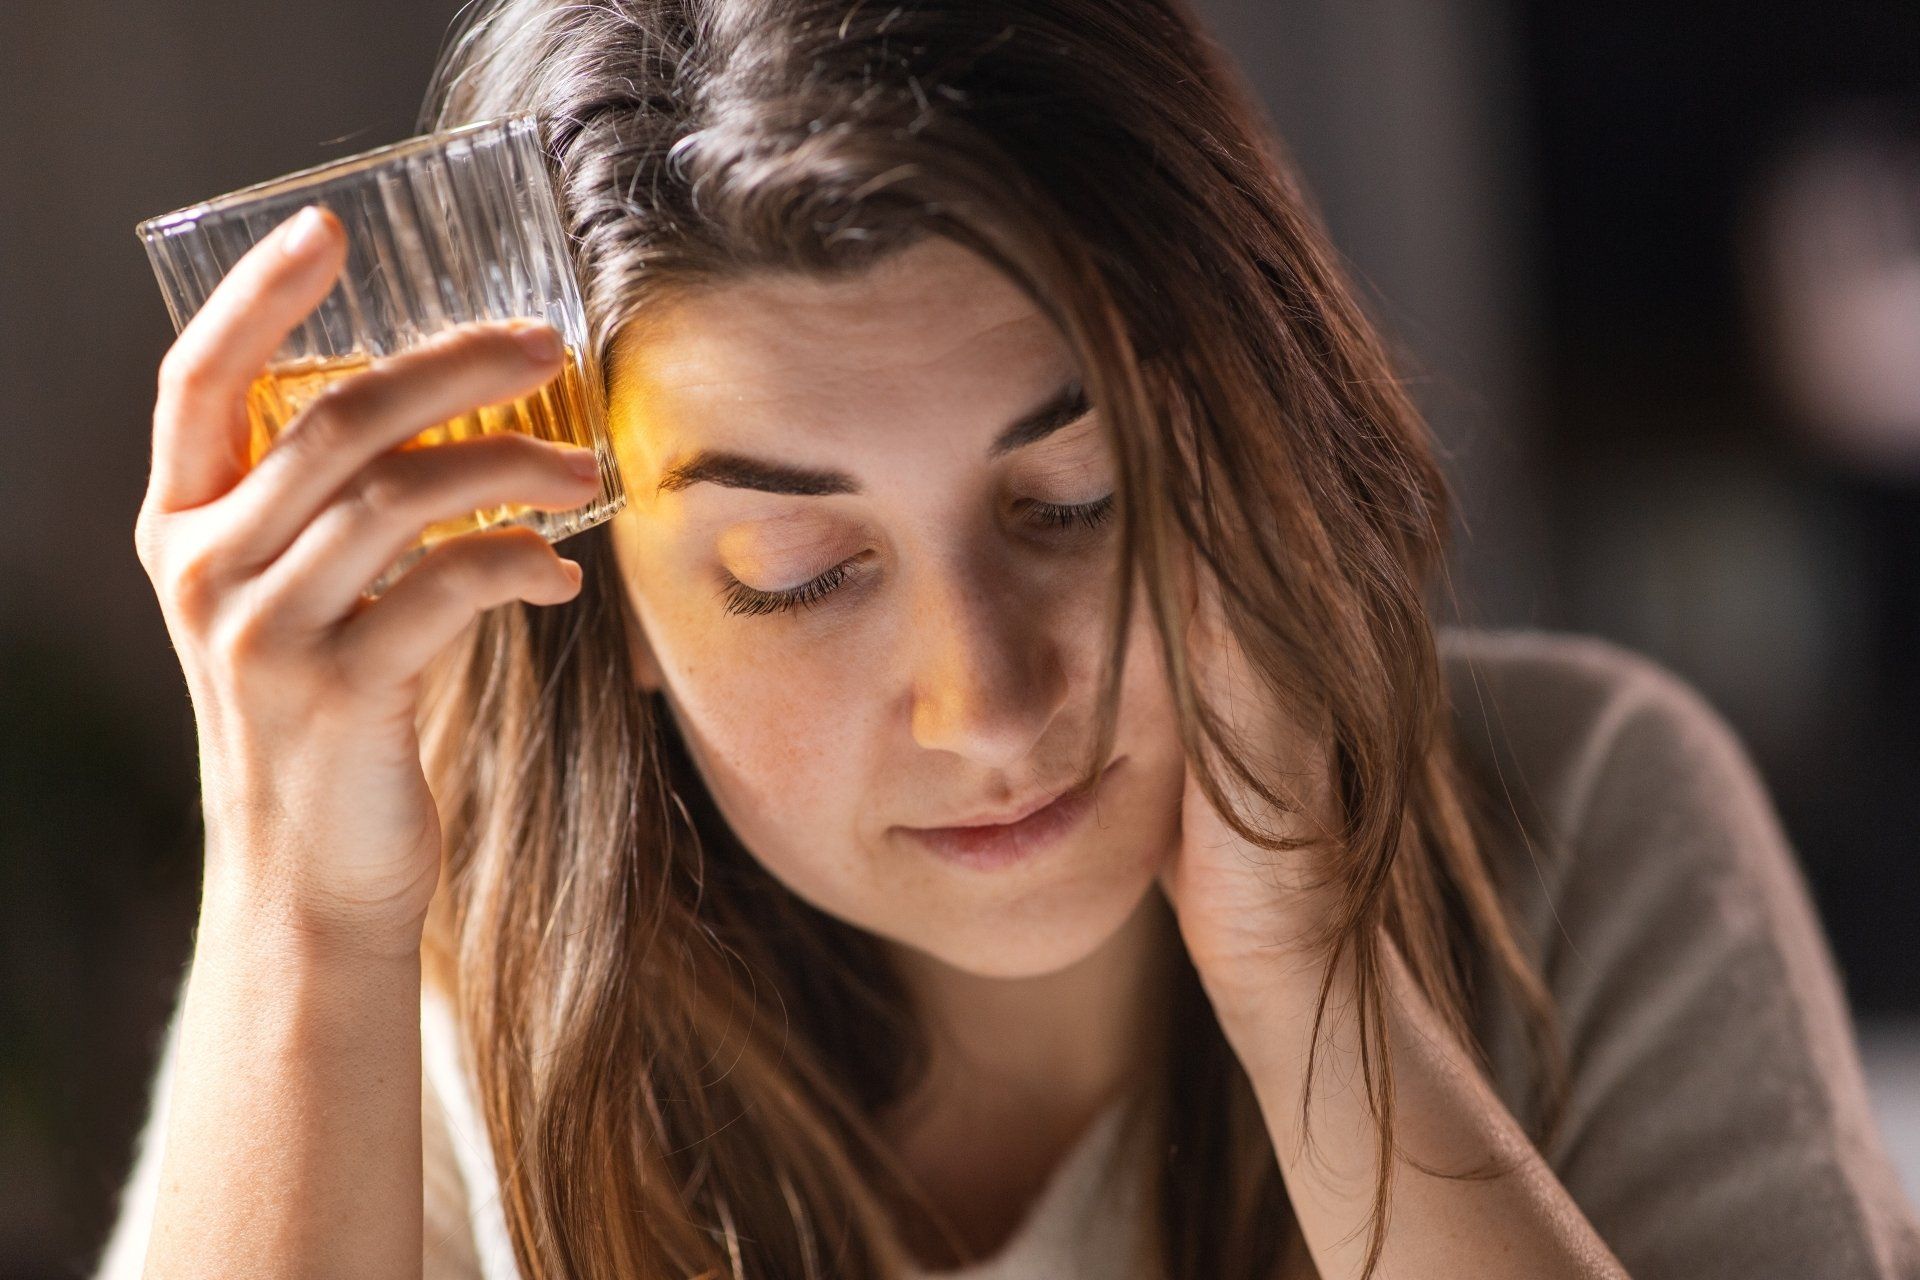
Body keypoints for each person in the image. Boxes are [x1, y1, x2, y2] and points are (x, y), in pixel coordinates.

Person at [94, 1, 1920, 1277]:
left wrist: (1306, 976)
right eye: (798, 568)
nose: (993, 699)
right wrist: (300, 900)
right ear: (621, 608)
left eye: (1074, 504)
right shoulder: (419, 973)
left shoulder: (1588, 809)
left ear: (1241, 441)